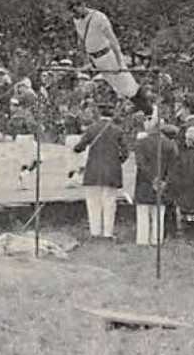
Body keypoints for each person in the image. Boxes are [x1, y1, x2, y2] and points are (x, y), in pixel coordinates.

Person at [74, 101, 127, 239]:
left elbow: (78, 147)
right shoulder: (118, 130)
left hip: (93, 171)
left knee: (93, 203)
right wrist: (116, 161)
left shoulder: (92, 129)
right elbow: (125, 153)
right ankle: (108, 233)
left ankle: (95, 232)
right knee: (109, 203)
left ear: (99, 114)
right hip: (111, 172)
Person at [132, 115, 177, 246]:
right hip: (162, 184)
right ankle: (157, 240)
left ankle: (142, 240)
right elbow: (173, 166)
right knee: (159, 215)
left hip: (145, 183)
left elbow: (141, 164)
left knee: (143, 213)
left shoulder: (141, 143)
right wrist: (164, 181)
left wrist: (153, 179)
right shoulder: (169, 144)